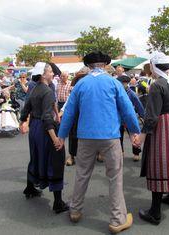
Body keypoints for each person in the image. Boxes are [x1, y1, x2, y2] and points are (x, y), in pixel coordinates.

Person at [58, 52, 140, 234]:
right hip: (110, 136)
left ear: (88, 65)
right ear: (105, 64)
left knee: (82, 174)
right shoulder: (114, 83)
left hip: (85, 136)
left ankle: (75, 210)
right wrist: (135, 131)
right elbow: (127, 109)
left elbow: (69, 112)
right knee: (115, 177)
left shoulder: (81, 84)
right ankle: (117, 219)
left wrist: (61, 135)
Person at [136, 52, 169, 225]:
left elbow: (151, 116)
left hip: (163, 126)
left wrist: (142, 137)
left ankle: (155, 212)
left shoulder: (157, 85)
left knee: (159, 163)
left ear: (154, 67)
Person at [19, 62, 68, 214]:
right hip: (44, 129)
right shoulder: (47, 91)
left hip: (34, 128)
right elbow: (47, 118)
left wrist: (23, 122)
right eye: (51, 72)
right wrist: (56, 140)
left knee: (36, 157)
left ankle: (30, 188)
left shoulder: (34, 88)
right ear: (44, 74)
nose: (53, 74)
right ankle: (58, 203)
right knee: (55, 161)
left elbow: (26, 108)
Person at [117, 75, 145, 161]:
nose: (122, 85)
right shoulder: (116, 92)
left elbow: (138, 105)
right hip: (118, 118)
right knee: (119, 136)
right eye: (121, 83)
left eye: (124, 83)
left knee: (134, 134)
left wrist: (142, 115)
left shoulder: (132, 93)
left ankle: (136, 153)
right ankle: (120, 152)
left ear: (127, 84)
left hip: (130, 117)